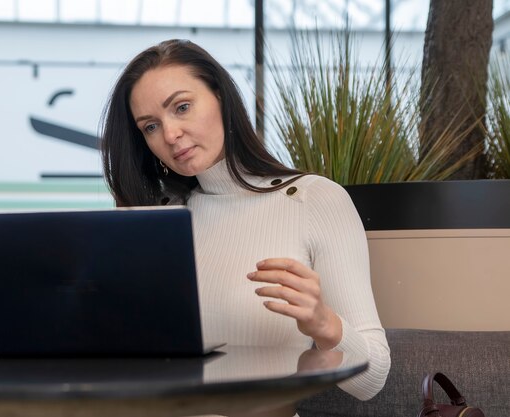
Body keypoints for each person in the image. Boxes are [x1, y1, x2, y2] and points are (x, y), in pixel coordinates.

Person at [101, 39, 390, 406]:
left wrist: (324, 323)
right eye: (150, 126)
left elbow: (374, 378)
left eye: (183, 107)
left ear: (221, 98)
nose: (170, 135)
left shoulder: (312, 200)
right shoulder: (157, 220)